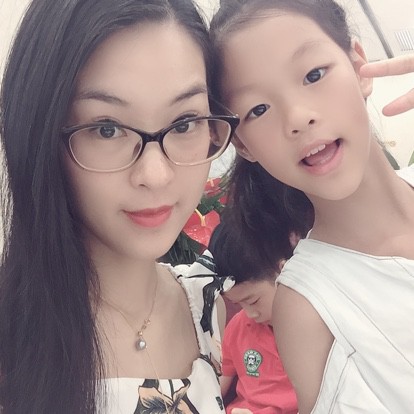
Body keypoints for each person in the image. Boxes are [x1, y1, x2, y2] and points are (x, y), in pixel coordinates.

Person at [0, 1, 240, 413]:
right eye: (107, 129)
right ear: (39, 136)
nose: (156, 175)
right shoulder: (13, 344)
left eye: (184, 123)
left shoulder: (216, 310)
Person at [209, 1, 414, 413]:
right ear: (243, 144)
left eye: (313, 75)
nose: (298, 118)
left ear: (359, 67)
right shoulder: (309, 308)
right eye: (258, 109)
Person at [209, 218, 301, 414]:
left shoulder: (316, 330)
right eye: (238, 304)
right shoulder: (238, 327)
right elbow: (214, 390)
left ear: (283, 272)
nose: (250, 314)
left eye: (253, 301)